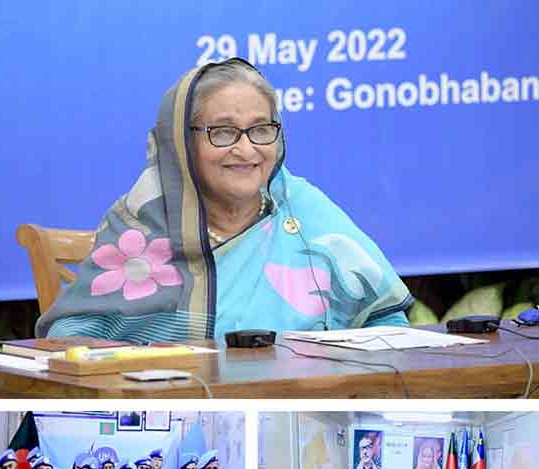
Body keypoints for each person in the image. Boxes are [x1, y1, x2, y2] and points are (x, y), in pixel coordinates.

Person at [36, 58, 412, 343]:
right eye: (224, 131)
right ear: (181, 143)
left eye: (261, 129)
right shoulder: (144, 220)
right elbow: (68, 339)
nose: (246, 149)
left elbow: (387, 325)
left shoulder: (305, 211)